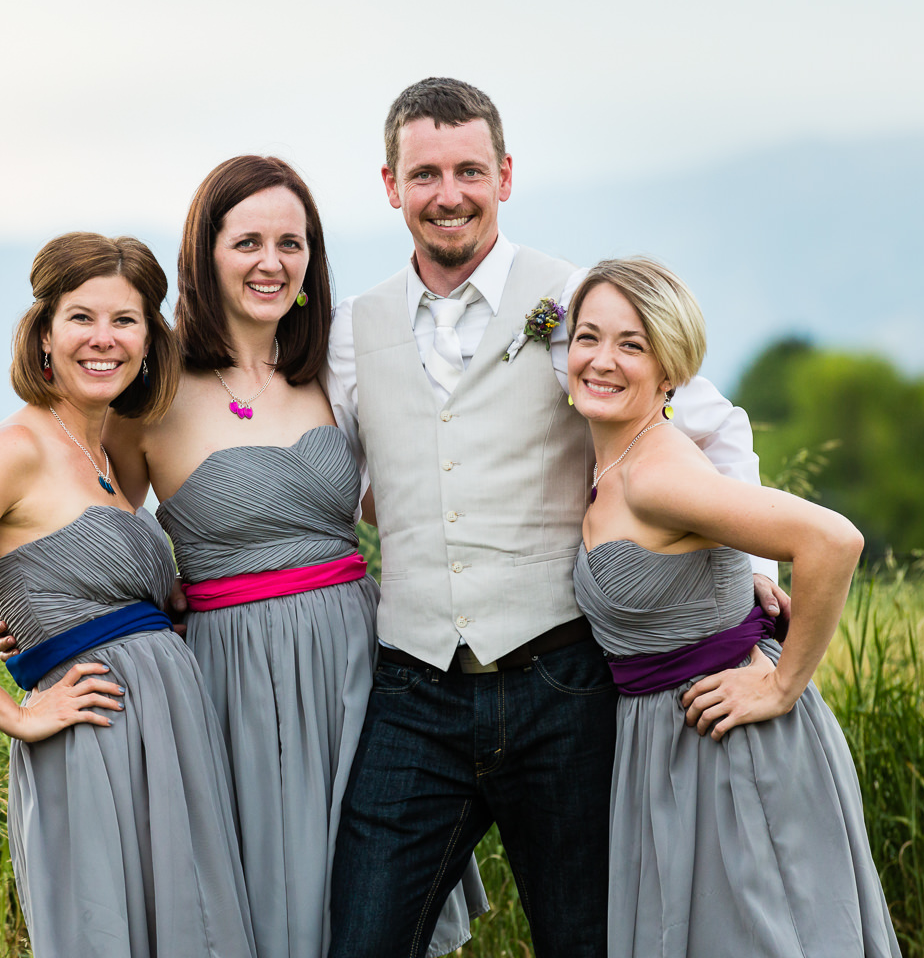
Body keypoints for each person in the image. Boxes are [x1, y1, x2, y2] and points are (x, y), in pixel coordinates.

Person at [321, 77, 786, 958]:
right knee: (363, 939)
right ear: (390, 185)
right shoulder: (352, 330)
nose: (447, 194)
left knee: (588, 940)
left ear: (504, 174)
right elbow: (326, 480)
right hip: (413, 688)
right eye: (424, 174)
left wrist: (757, 571)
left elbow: (714, 426)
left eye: (468, 170)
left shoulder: (577, 300)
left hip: (562, 684)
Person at [0, 156, 484, 958]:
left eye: (292, 243)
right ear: (204, 254)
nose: (270, 262)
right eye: (247, 240)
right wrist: (37, 608)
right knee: (262, 912)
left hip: (365, 667)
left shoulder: (337, 362)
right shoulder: (152, 390)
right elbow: (91, 519)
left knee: (374, 909)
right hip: (235, 680)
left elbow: (424, 482)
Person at [0, 232, 255, 958]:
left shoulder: (106, 456)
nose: (103, 339)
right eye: (81, 318)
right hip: (94, 742)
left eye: (125, 320)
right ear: (44, 334)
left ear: (149, 340)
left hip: (169, 738)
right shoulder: (16, 449)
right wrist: (15, 713)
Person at [567, 257, 900, 957]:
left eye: (632, 345)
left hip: (734, 747)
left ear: (669, 373)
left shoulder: (660, 474)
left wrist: (783, 685)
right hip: (668, 750)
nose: (601, 360)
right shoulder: (614, 460)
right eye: (587, 337)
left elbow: (833, 540)